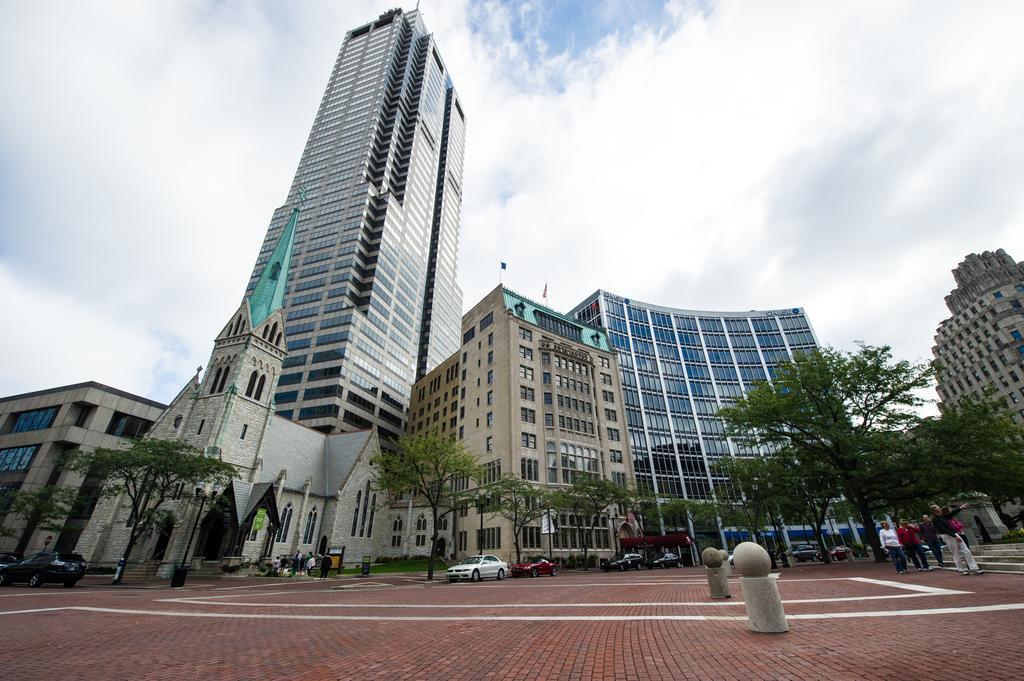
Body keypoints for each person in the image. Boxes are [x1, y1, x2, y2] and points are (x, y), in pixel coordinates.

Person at [930, 503, 983, 575]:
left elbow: (951, 514)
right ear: (935, 510)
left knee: (966, 550)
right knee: (955, 553)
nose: (940, 508)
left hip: (954, 534)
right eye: (938, 508)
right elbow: (942, 529)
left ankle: (974, 568)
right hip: (947, 536)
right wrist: (954, 536)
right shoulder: (935, 519)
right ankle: (962, 569)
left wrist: (961, 508)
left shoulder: (943, 516)